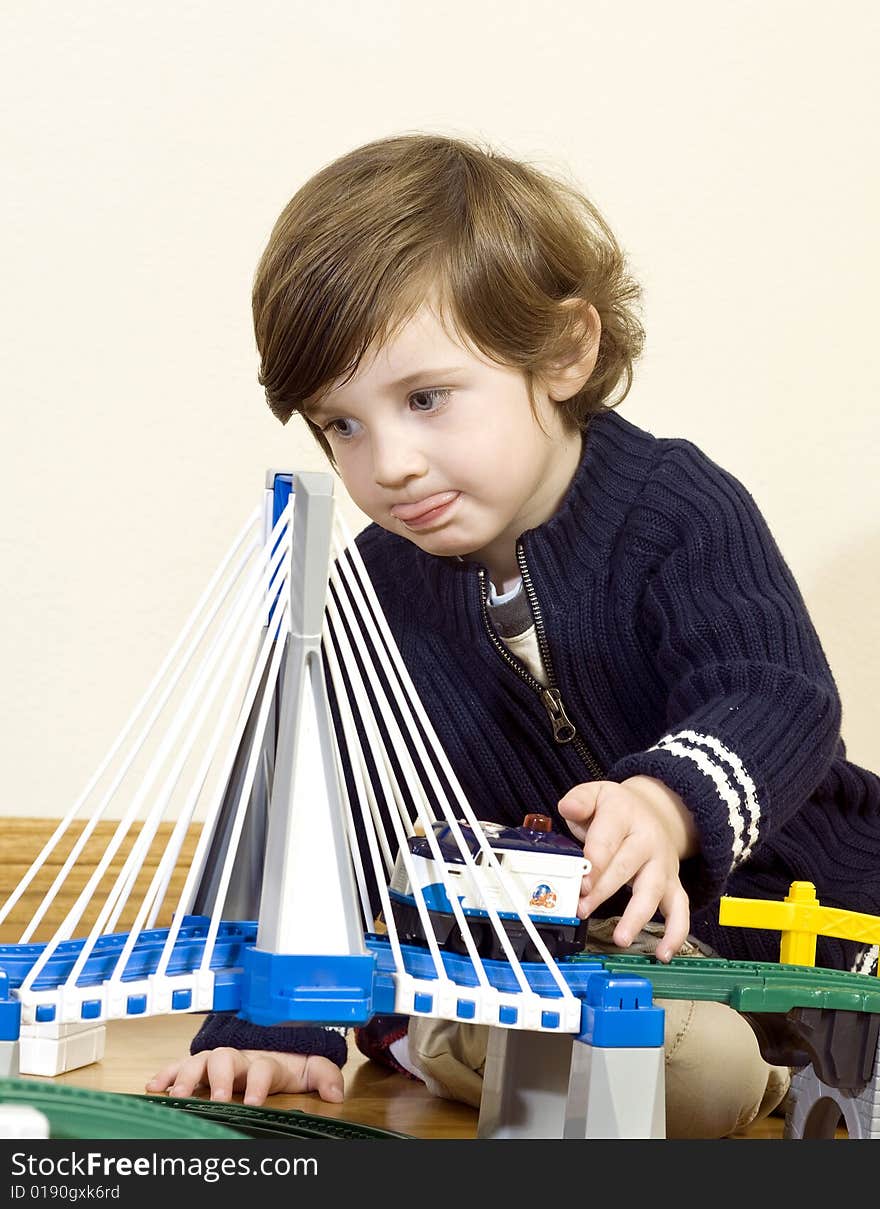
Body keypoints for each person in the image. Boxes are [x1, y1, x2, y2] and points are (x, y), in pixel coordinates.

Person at [146, 132, 880, 1137]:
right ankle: (449, 1035)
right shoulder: (374, 589)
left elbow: (776, 691)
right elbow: (323, 814)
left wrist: (666, 805)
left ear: (565, 351)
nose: (389, 463)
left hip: (817, 912)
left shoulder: (673, 508)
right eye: (341, 427)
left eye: (424, 398)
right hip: (589, 960)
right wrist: (274, 1022)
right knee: (690, 1072)